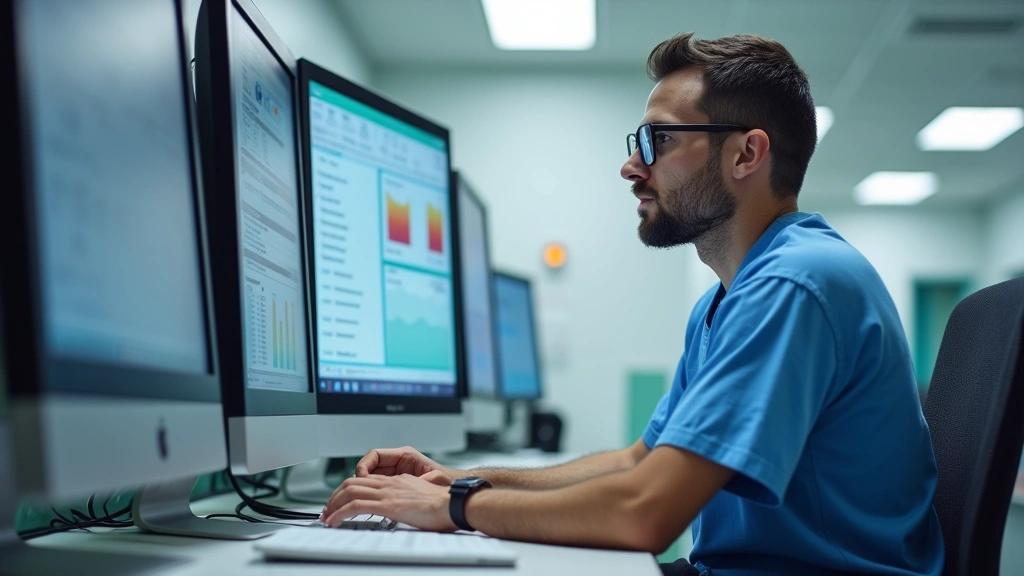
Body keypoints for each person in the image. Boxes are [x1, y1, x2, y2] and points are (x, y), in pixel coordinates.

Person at [321, 32, 944, 576]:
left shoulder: (795, 285)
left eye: (658, 140)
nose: (630, 165)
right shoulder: (730, 299)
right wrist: (456, 479)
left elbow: (644, 512)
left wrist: (454, 510)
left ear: (746, 154)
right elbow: (637, 462)